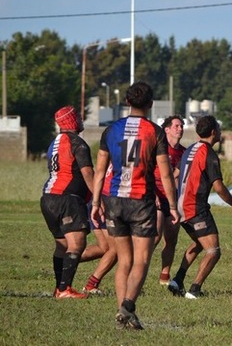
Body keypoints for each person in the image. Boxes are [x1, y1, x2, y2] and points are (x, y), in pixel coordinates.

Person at [91, 81, 179, 330]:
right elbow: (165, 174)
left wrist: (96, 202)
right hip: (141, 201)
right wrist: (172, 206)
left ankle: (123, 314)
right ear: (150, 104)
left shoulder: (110, 131)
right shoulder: (155, 132)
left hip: (114, 201)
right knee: (142, 259)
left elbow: (100, 172)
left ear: (127, 102)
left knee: (124, 261)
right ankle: (128, 305)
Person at [168, 116, 232, 299]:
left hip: (180, 207)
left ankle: (177, 280)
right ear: (213, 133)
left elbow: (174, 174)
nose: (220, 132)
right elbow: (218, 187)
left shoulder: (190, 149)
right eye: (219, 128)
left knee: (199, 243)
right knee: (213, 251)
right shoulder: (208, 154)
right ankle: (194, 290)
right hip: (195, 208)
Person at [40, 106, 94, 299]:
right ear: (71, 120)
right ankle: (64, 289)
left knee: (62, 246)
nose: (81, 119)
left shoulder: (54, 142)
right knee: (77, 244)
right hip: (67, 198)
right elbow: (87, 172)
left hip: (47, 197)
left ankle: (59, 288)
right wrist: (98, 198)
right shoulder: (77, 142)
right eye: (78, 116)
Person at [156, 115, 186, 286]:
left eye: (181, 126)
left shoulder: (184, 152)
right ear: (166, 129)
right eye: (176, 126)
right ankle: (137, 268)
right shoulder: (158, 148)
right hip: (158, 197)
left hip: (174, 200)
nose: (180, 128)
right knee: (154, 237)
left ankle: (164, 275)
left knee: (171, 239)